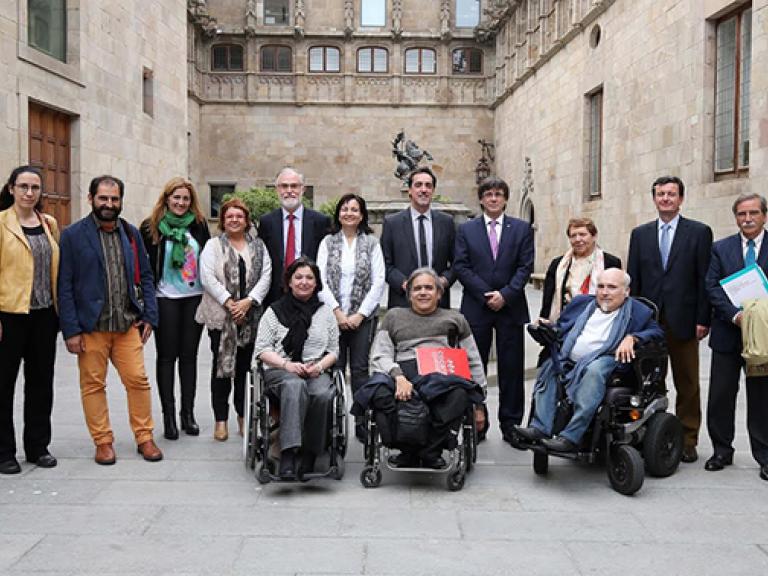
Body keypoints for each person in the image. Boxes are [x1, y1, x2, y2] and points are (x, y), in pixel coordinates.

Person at [58, 175, 161, 465]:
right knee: (93, 385)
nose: (109, 204)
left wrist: (149, 316)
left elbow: (148, 276)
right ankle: (103, 442)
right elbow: (64, 285)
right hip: (91, 328)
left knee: (138, 381)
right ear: (91, 199)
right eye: (103, 198)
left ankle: (145, 437)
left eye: (114, 199)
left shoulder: (130, 233)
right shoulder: (73, 235)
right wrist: (71, 330)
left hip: (127, 324)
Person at [515, 269, 664, 452]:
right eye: (601, 286)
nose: (604, 292)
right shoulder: (581, 303)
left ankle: (571, 437)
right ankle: (540, 428)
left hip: (609, 359)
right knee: (551, 368)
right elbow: (561, 328)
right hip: (570, 359)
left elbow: (657, 333)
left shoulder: (639, 311)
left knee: (594, 371)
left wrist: (633, 337)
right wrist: (547, 327)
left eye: (611, 287)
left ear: (626, 291)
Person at [361, 268, 487, 468]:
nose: (423, 292)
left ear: (439, 293)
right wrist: (398, 377)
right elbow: (380, 354)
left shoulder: (455, 319)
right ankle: (407, 450)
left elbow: (472, 358)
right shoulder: (394, 317)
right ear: (409, 294)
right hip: (404, 373)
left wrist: (480, 403)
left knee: (460, 395)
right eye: (417, 288)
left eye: (429, 288)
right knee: (377, 392)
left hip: (441, 376)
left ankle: (430, 451)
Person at [627, 176, 713, 463]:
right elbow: (634, 280)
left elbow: (704, 279)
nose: (665, 198)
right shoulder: (640, 234)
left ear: (681, 199)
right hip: (649, 323)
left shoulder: (699, 233)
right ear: (654, 199)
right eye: (660, 194)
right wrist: (633, 322)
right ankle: (651, 432)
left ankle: (688, 438)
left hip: (685, 320)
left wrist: (704, 319)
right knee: (650, 380)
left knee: (687, 381)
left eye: (671, 194)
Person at [453, 177, 534, 444]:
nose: (493, 198)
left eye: (498, 194)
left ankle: (511, 424)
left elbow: (525, 267)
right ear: (481, 199)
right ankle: (478, 420)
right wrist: (486, 294)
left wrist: (506, 294)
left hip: (510, 308)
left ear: (506, 199)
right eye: (488, 194)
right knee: (474, 367)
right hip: (477, 307)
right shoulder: (467, 230)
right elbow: (461, 266)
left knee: (512, 368)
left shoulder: (521, 229)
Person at [253, 257, 339, 479]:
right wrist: (287, 365)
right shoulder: (274, 311)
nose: (304, 282)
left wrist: (319, 367)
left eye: (309, 277)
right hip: (280, 369)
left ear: (316, 283)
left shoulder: (325, 312)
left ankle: (310, 454)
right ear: (289, 282)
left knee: (321, 393)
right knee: (294, 385)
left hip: (314, 368)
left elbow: (333, 351)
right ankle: (289, 454)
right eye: (298, 277)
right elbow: (262, 349)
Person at [140, 178, 211, 440]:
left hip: (194, 297)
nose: (181, 203)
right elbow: (145, 270)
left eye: (186, 199)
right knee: (167, 356)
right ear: (167, 198)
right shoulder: (150, 228)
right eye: (176, 198)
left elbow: (208, 259)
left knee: (189, 357)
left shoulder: (200, 225)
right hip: (164, 297)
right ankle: (168, 417)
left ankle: (187, 415)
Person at [0, 166, 60, 474]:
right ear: (11, 189)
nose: (29, 192)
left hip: (44, 315)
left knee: (41, 384)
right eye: (23, 186)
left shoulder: (48, 223)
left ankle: (38, 447)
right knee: (3, 386)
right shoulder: (1, 224)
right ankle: (4, 452)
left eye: (34, 187)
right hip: (9, 316)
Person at [704, 194, 768, 481]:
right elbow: (712, 286)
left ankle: (764, 456)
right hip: (728, 334)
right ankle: (721, 450)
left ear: (764, 216)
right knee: (721, 395)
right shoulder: (721, 248)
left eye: (754, 213)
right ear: (736, 218)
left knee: (762, 397)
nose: (748, 219)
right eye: (742, 214)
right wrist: (735, 315)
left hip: (763, 339)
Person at [196, 198, 271, 441]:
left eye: (239, 216)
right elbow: (206, 277)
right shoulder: (212, 246)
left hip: (250, 317)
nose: (234, 220)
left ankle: (242, 416)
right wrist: (230, 302)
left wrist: (248, 302)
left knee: (243, 370)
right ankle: (220, 420)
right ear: (223, 221)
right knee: (221, 369)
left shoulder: (258, 246)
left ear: (246, 220)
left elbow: (266, 275)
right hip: (221, 316)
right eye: (229, 216)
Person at [316, 194, 385, 441]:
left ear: (362, 215)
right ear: (338, 213)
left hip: (361, 319)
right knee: (333, 368)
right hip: (331, 316)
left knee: (359, 370)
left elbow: (378, 281)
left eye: (354, 209)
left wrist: (359, 314)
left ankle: (361, 420)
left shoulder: (372, 243)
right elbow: (319, 279)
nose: (349, 213)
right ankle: (332, 420)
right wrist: (336, 311)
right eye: (344, 209)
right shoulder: (327, 242)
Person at [380, 167, 456, 309]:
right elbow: (385, 263)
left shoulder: (446, 222)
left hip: (438, 304)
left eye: (428, 185)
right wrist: (405, 284)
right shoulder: (392, 223)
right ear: (409, 190)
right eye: (418, 185)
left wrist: (443, 282)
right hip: (403, 303)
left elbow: (457, 261)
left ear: (433, 191)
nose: (423, 189)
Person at [258, 167, 331, 307]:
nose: (289, 190)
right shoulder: (267, 222)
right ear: (277, 190)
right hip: (276, 296)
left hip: (309, 294)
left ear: (303, 189)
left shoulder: (320, 221)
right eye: (284, 186)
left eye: (294, 186)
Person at [540, 217, 621, 322]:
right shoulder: (558, 264)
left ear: (594, 236)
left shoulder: (610, 262)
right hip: (564, 322)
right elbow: (548, 297)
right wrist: (543, 319)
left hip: (599, 322)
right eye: (573, 236)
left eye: (582, 234)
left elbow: (618, 295)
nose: (578, 239)